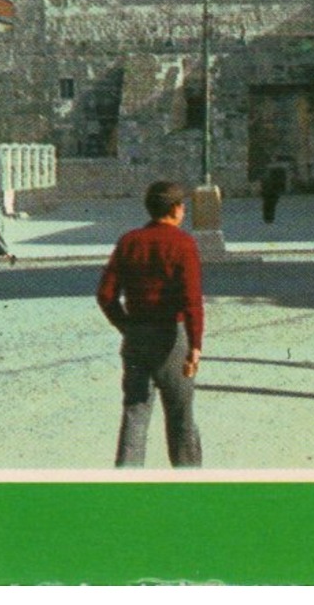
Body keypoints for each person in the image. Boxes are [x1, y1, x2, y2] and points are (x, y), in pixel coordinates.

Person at [95, 180, 203, 468]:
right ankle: (189, 480)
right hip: (171, 336)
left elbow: (105, 294)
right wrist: (195, 346)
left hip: (137, 336)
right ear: (177, 209)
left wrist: (125, 326)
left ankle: (127, 481)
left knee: (135, 411)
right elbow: (192, 300)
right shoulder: (183, 244)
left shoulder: (129, 241)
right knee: (181, 414)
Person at [260, 156, 290, 225]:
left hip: (270, 189)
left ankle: (268, 218)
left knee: (269, 204)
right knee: (271, 204)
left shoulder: (270, 169)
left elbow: (264, 179)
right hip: (272, 189)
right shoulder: (279, 169)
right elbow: (283, 180)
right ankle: (269, 218)